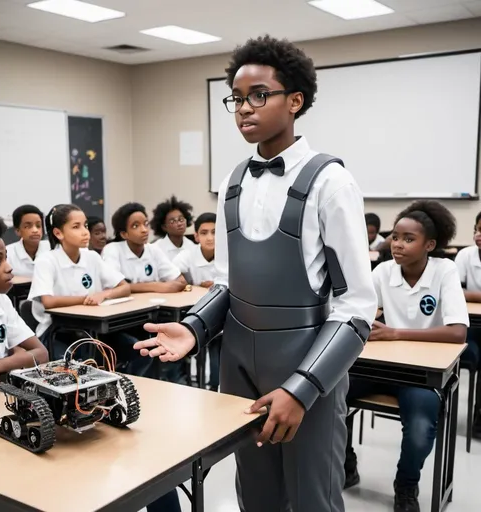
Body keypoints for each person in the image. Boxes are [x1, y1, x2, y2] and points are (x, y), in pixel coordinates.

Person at [134, 35, 377, 512]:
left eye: (259, 95)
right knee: (256, 495)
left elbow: (356, 308)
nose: (244, 109)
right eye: (237, 98)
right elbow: (226, 279)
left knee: (314, 498)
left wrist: (302, 388)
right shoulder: (233, 180)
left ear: (295, 100)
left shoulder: (332, 181)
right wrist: (193, 328)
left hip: (308, 363)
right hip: (239, 363)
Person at [344, 200, 468, 512]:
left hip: (420, 376)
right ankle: (346, 463)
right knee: (331, 397)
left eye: (408, 239)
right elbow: (358, 313)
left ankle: (406, 484)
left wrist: (397, 333)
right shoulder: (384, 271)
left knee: (420, 430)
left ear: (430, 245)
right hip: (379, 368)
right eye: (395, 237)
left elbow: (457, 332)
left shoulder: (445, 270)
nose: (398, 245)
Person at [27, 204, 143, 376]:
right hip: (58, 332)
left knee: (141, 353)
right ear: (58, 233)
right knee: (75, 373)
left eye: (86, 225)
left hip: (93, 330)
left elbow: (124, 286)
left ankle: (121, 388)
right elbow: (48, 301)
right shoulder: (46, 260)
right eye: (76, 227)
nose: (85, 232)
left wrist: (103, 294)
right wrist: (86, 299)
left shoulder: (92, 257)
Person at [0, 211, 48, 394]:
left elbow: (41, 353)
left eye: (6, 257)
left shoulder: (1, 301)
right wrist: (17, 357)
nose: (8, 267)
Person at [173, 212, 220, 390]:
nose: (210, 237)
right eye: (204, 232)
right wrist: (188, 285)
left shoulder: (229, 253)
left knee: (218, 345)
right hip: (194, 311)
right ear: (196, 236)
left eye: (215, 232)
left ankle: (214, 386)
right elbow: (171, 276)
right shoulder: (188, 254)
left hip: (223, 314)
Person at [102, 203, 186, 293]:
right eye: (135, 226)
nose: (144, 230)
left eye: (146, 224)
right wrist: (155, 286)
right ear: (124, 234)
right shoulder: (112, 250)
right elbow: (113, 286)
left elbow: (181, 280)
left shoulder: (153, 250)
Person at [454, 211, 481, 437]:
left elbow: (465, 293)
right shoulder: (465, 256)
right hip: (471, 326)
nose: (479, 235)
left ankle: (478, 416)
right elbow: (457, 293)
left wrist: (470, 295)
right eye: (478, 229)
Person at [6, 205, 50, 277]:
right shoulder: (7, 254)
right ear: (18, 231)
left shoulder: (53, 248)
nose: (35, 230)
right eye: (28, 226)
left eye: (38, 226)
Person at [151, 196, 195, 261]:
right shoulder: (156, 248)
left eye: (181, 219)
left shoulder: (192, 246)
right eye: (172, 221)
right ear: (164, 227)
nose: (179, 224)